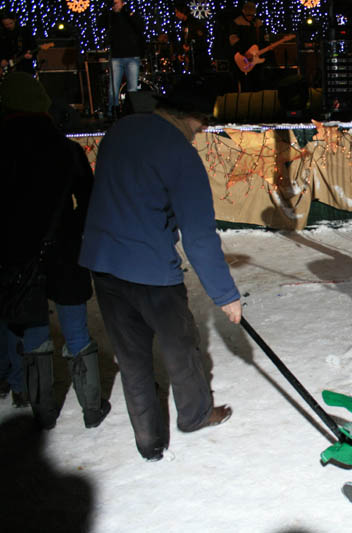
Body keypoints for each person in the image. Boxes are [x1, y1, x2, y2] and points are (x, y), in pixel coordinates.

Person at [79, 75, 241, 462]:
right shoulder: (181, 154)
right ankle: (195, 415)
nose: (202, 132)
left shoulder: (120, 130)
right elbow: (199, 237)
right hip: (152, 271)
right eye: (202, 124)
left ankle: (149, 443)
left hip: (104, 265)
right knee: (180, 348)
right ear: (191, 117)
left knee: (131, 358)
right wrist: (226, 296)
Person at [0, 72, 112, 429]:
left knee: (34, 331)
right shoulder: (67, 150)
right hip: (65, 251)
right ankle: (92, 407)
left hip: (19, 255)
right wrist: (71, 231)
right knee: (76, 327)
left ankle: (43, 411)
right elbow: (91, 200)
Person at [100, 0, 145, 119]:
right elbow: (100, 23)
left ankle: (132, 112)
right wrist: (107, 11)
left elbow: (140, 26)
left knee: (132, 88)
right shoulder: (111, 17)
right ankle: (112, 112)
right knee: (113, 88)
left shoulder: (130, 14)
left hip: (132, 56)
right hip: (116, 57)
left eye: (116, 2)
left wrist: (127, 12)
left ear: (122, 3)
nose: (114, 5)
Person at [227, 1, 273, 92]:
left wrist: (267, 46)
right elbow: (233, 40)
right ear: (243, 12)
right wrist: (243, 51)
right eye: (248, 15)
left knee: (258, 82)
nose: (250, 17)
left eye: (252, 15)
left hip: (257, 58)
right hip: (243, 57)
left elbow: (264, 38)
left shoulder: (258, 23)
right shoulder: (237, 23)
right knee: (245, 84)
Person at [174, 2, 210, 74]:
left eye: (177, 12)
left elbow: (202, 41)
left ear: (182, 12)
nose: (176, 15)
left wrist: (191, 47)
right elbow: (183, 41)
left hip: (199, 60)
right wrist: (180, 53)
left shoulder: (196, 24)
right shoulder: (183, 25)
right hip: (189, 59)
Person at [0, 11, 37, 76]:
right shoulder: (3, 34)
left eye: (10, 23)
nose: (8, 26)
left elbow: (33, 46)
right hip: (8, 69)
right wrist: (2, 59)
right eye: (6, 24)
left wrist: (31, 54)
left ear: (14, 20)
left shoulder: (24, 31)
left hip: (24, 67)